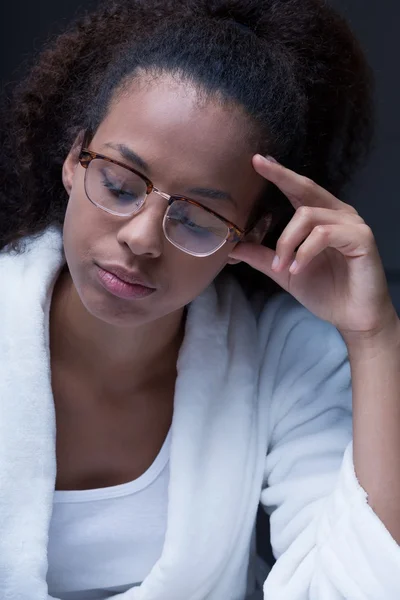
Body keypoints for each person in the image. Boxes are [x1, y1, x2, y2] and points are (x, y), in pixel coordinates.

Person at [0, 0, 399, 598]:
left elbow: (357, 587)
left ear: (256, 232)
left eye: (200, 217)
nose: (140, 237)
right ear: (71, 159)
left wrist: (375, 339)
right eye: (118, 183)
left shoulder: (283, 359)